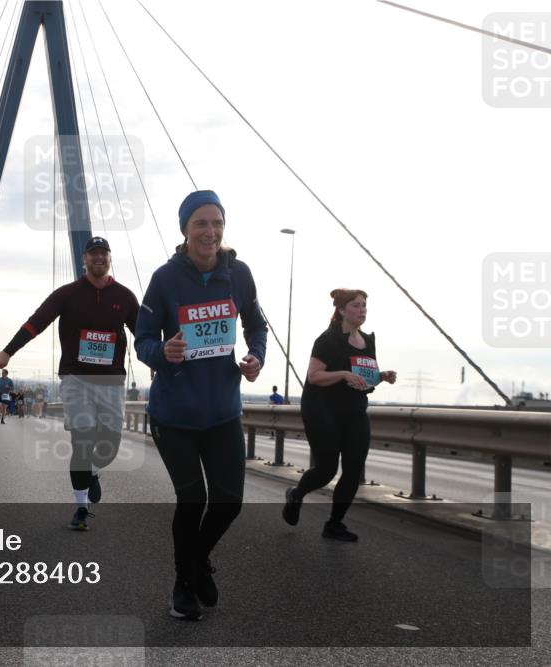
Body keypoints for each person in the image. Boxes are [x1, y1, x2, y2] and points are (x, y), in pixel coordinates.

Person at [134, 190, 267, 620]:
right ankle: (183, 584)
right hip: (174, 414)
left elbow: (257, 326)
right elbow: (143, 339)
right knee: (193, 499)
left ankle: (196, 561)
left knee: (228, 502)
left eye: (216, 223)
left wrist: (256, 357)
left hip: (223, 410)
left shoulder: (240, 275)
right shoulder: (165, 279)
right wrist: (162, 353)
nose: (210, 232)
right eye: (200, 224)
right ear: (185, 231)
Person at [0, 236, 139, 530]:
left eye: (103, 253)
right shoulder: (67, 294)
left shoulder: (125, 296)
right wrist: (8, 351)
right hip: (75, 378)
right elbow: (36, 322)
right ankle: (81, 508)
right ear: (84, 260)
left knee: (109, 447)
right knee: (81, 440)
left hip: (112, 381)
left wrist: (157, 361)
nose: (98, 258)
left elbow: (142, 333)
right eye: (93, 254)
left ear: (109, 258)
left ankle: (92, 472)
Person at [282, 289, 397, 541]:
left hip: (354, 411)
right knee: (326, 470)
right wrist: (342, 374)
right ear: (342, 310)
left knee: (354, 469)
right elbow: (314, 376)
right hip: (323, 411)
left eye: (364, 305)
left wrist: (382, 376)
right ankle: (296, 494)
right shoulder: (328, 339)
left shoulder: (368, 340)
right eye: (356, 305)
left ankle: (334, 524)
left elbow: (364, 377)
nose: (362, 309)